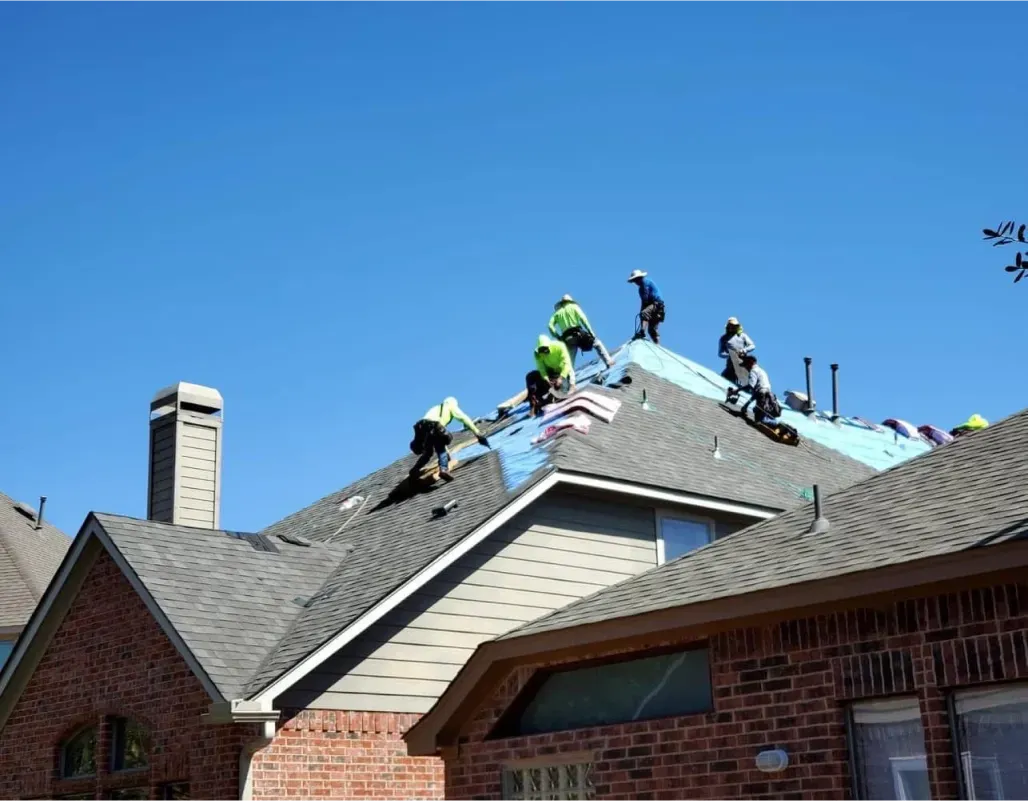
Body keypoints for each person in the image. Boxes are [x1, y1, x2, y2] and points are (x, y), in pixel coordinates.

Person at [409, 397, 489, 481]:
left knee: (428, 452)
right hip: (433, 426)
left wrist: (447, 455)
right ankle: (443, 470)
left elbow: (431, 426)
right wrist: (477, 433)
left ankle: (415, 470)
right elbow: (463, 418)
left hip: (421, 427)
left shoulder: (436, 408)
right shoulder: (451, 406)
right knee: (441, 447)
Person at [548, 294, 614, 368]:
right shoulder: (574, 307)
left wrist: (558, 336)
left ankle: (569, 377)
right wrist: (591, 333)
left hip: (567, 338)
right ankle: (608, 362)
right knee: (597, 343)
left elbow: (550, 326)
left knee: (570, 358)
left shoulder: (557, 313)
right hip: (578, 333)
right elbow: (584, 320)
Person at [526, 334, 576, 416]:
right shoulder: (537, 354)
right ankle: (535, 404)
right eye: (542, 350)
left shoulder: (559, 346)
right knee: (531, 376)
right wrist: (546, 379)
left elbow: (567, 364)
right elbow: (541, 368)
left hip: (562, 374)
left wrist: (561, 378)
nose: (544, 352)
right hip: (549, 375)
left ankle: (550, 399)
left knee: (561, 393)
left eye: (546, 349)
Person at [728, 354, 781, 425]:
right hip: (767, 396)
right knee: (759, 416)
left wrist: (737, 390)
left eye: (746, 365)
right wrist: (745, 406)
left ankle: (777, 424)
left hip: (763, 396)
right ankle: (775, 423)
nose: (746, 368)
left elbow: (751, 386)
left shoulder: (753, 371)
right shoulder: (761, 371)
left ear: (751, 362)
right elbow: (757, 394)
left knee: (760, 421)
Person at [627, 270, 665, 344]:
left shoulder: (646, 283)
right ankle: (656, 344)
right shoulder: (641, 289)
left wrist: (642, 313)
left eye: (636, 280)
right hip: (654, 306)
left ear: (640, 278)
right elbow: (643, 302)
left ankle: (642, 332)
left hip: (657, 304)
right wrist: (641, 312)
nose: (636, 282)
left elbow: (646, 300)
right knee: (651, 330)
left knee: (644, 313)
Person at [718, 317, 756, 384]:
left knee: (746, 381)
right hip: (731, 363)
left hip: (743, 362)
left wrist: (744, 350)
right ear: (728, 327)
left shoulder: (742, 336)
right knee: (725, 379)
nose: (732, 328)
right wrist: (729, 354)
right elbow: (720, 353)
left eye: (734, 326)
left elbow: (752, 346)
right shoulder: (724, 338)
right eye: (731, 326)